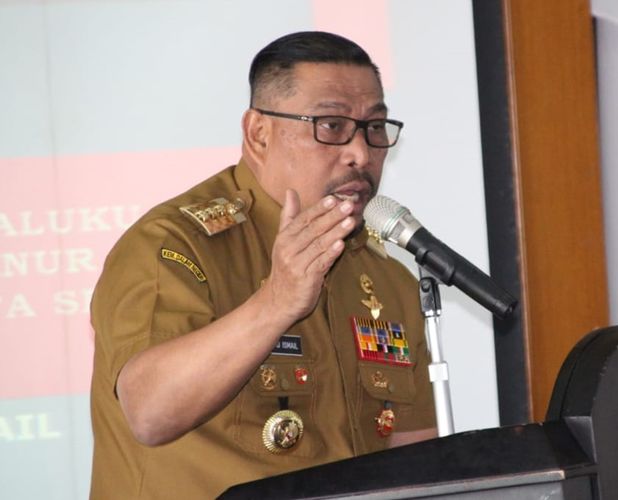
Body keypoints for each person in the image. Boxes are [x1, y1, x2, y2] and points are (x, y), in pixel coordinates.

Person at [89, 31, 437, 499]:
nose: (361, 153)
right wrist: (277, 302)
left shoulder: (386, 277)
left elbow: (412, 462)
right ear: (258, 133)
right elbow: (150, 414)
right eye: (331, 125)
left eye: (375, 127)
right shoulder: (172, 246)